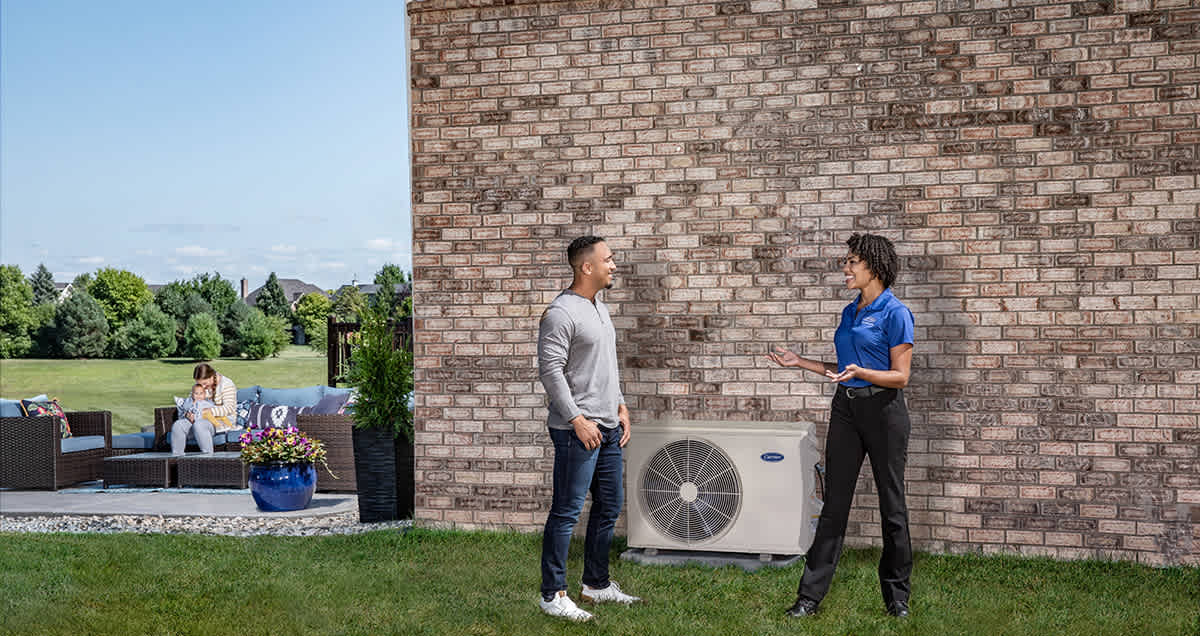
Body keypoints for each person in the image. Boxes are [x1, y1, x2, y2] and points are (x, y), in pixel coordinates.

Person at [766, 232, 915, 619]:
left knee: (892, 507)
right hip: (846, 410)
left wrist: (864, 372)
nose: (845, 268)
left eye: (852, 262)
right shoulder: (851, 312)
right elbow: (842, 372)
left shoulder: (895, 312)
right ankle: (808, 599)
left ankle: (897, 599)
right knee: (834, 506)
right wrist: (800, 362)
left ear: (874, 268)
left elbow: (901, 377)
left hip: (885, 413)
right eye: (846, 261)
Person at [537, 235, 641, 622]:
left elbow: (605, 366)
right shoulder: (560, 313)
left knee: (609, 506)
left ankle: (596, 583)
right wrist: (576, 420)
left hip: (609, 427)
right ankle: (553, 594)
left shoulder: (599, 307)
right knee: (566, 511)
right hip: (576, 430)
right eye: (608, 260)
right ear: (587, 267)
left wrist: (621, 405)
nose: (613, 265)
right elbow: (550, 372)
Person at [170, 363, 238, 455]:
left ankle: (207, 459)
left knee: (199, 425)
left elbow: (229, 408)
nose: (203, 386)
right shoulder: (201, 384)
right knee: (178, 425)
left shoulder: (227, 384)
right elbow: (191, 401)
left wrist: (208, 411)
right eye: (199, 383)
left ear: (211, 376)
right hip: (199, 419)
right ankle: (177, 459)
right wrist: (188, 414)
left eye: (205, 383)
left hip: (220, 421)